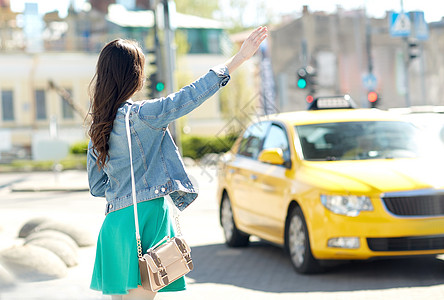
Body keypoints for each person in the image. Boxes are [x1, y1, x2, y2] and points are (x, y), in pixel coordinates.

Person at [86, 26, 268, 300]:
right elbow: (190, 95)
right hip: (146, 218)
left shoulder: (99, 123)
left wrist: (123, 182)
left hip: (115, 224)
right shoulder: (144, 115)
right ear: (134, 75)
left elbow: (97, 186)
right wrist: (238, 58)